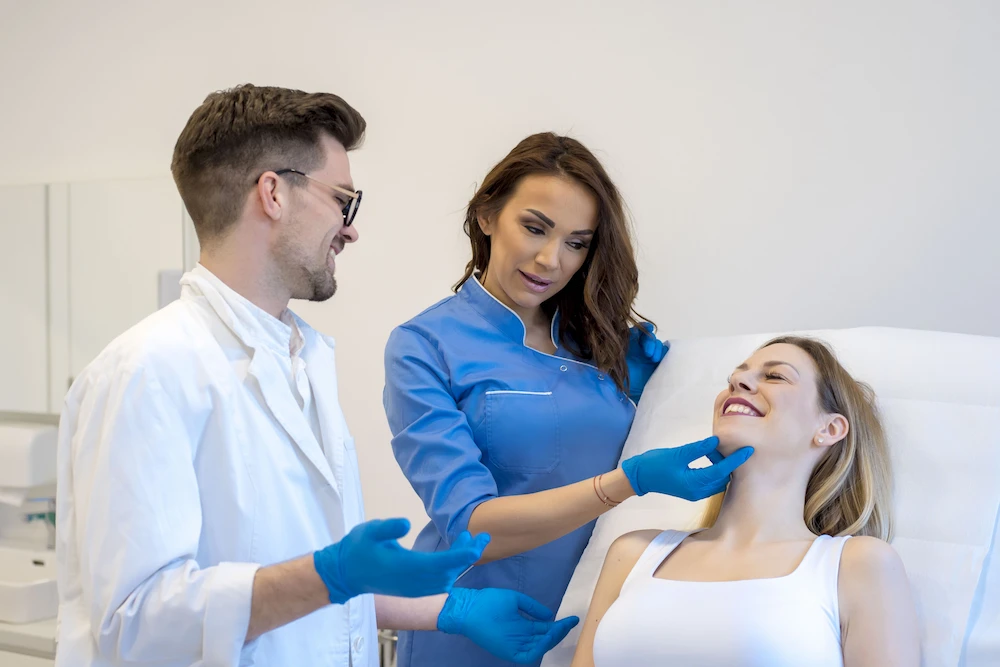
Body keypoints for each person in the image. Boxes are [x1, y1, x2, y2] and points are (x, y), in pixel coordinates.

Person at [54, 84, 578, 667]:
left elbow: (298, 584)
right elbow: (133, 623)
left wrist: (442, 610)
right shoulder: (148, 371)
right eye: (343, 201)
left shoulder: (300, 360)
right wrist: (327, 574)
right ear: (273, 193)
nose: (352, 229)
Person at [383, 132, 754, 666]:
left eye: (577, 242)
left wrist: (652, 388)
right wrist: (628, 483)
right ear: (487, 215)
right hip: (477, 622)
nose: (550, 259)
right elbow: (470, 528)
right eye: (534, 228)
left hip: (599, 618)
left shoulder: (602, 347)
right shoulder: (425, 345)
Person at [571, 336, 921, 666]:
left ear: (829, 429)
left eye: (775, 376)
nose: (739, 383)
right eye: (734, 377)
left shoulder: (856, 564)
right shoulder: (633, 553)